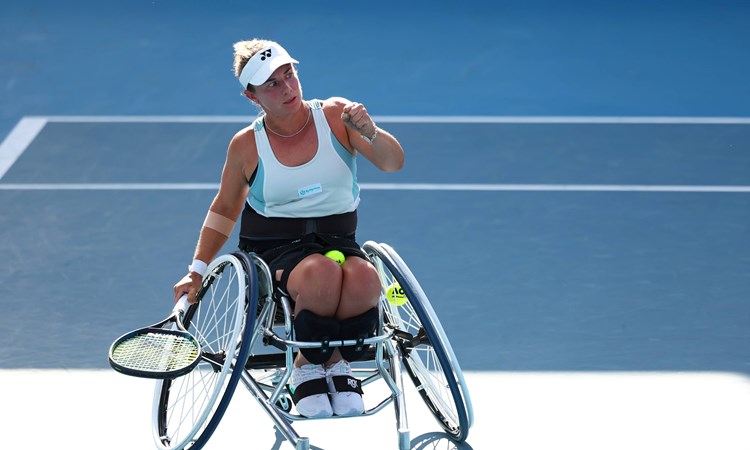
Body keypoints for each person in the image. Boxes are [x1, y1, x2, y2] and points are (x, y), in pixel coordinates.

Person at [173, 38, 405, 418]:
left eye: (289, 75)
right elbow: (225, 208)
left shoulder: (336, 116)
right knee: (319, 273)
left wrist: (371, 131)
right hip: (276, 249)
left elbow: (393, 163)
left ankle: (336, 364)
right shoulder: (247, 145)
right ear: (252, 97)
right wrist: (196, 270)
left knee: (365, 278)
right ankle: (305, 367)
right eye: (273, 85)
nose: (288, 88)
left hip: (338, 240)